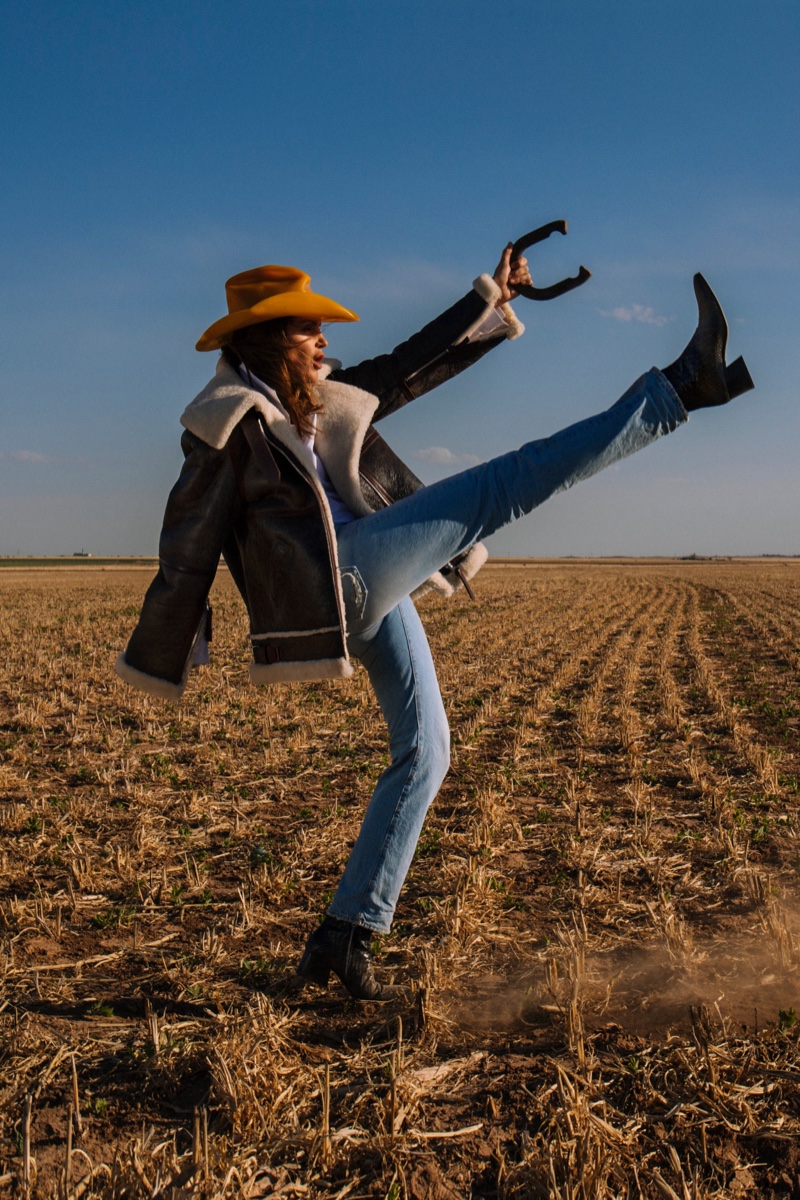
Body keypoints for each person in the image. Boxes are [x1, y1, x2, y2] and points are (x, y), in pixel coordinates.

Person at [116, 242, 753, 1001]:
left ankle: (344, 937)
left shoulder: (320, 396)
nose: (323, 339)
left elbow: (409, 364)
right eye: (307, 329)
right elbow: (187, 541)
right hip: (339, 585)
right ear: (267, 338)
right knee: (507, 482)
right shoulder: (226, 428)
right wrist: (169, 645)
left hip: (371, 582)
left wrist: (494, 296)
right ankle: (681, 388)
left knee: (428, 750)